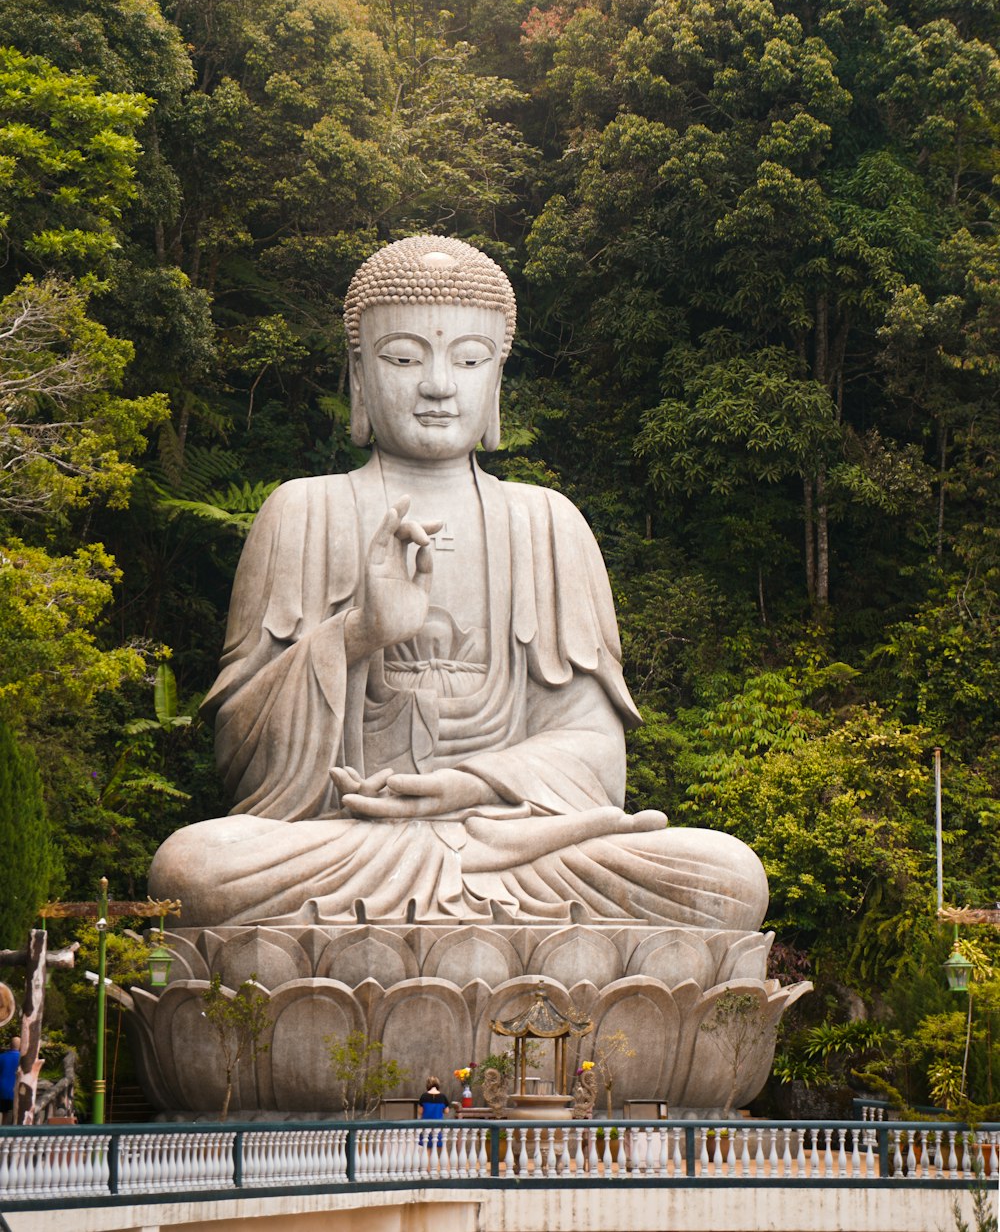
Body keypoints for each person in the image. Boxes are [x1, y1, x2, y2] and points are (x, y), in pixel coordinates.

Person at [149, 236, 768, 931]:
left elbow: (597, 759)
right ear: (359, 373)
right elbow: (241, 758)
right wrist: (358, 635)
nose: (439, 384)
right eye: (405, 357)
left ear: (495, 379)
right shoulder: (302, 513)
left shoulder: (548, 524)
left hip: (513, 848)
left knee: (727, 877)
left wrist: (465, 787)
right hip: (351, 843)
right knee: (194, 871)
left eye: (469, 359)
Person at [0, 1037, 20, 1124]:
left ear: (10, 1045)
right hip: (16, 1090)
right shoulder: (23, 1058)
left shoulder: (2, 1057)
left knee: (3, 1113)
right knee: (16, 1114)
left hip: (2, 1089)